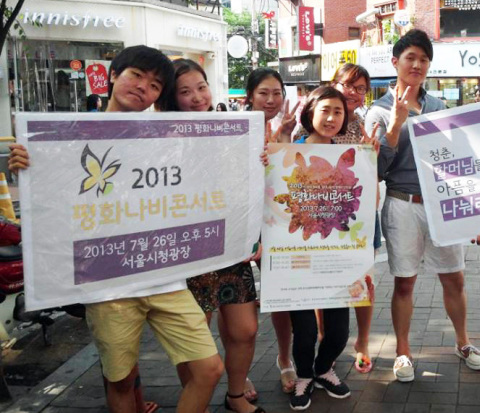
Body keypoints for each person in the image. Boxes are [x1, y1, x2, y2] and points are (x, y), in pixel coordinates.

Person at [9, 45, 224, 413]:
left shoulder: (169, 137)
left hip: (165, 278)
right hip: (108, 286)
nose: (144, 87)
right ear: (112, 75)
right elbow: (51, 200)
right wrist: (26, 167)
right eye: (136, 75)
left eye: (155, 85)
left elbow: (209, 178)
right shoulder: (68, 135)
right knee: (121, 381)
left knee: (209, 369)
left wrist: (254, 155)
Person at [365, 29, 480, 384]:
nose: (417, 65)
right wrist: (395, 127)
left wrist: (473, 214)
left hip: (442, 205)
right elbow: (375, 171)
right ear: (395, 63)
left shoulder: (439, 109)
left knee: (455, 278)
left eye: (423, 59)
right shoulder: (378, 111)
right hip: (402, 204)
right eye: (410, 58)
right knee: (405, 283)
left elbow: (458, 165)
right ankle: (402, 352)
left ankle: (463, 343)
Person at [165, 58, 264, 413]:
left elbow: (249, 184)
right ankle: (198, 398)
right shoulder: (160, 136)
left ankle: (235, 395)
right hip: (185, 253)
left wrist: (262, 158)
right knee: (194, 337)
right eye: (185, 91)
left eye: (201, 87)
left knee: (246, 329)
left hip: (230, 247)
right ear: (171, 97)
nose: (196, 97)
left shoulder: (233, 128)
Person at [286, 86, 378, 411]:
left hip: (337, 260)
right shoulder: (286, 154)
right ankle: (304, 376)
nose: (331, 117)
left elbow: (365, 207)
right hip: (297, 259)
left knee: (339, 332)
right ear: (310, 113)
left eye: (338, 112)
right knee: (306, 331)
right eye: (325, 110)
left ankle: (324, 369)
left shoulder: (349, 155)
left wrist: (370, 163)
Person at [244, 67, 299, 394]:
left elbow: (282, 182)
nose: (270, 99)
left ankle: (284, 359)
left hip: (274, 227)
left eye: (276, 93)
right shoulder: (232, 131)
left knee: (280, 296)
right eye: (263, 93)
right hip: (239, 228)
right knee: (235, 304)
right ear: (250, 95)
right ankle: (240, 371)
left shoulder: (279, 130)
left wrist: (286, 137)